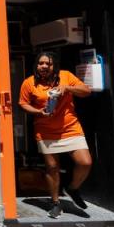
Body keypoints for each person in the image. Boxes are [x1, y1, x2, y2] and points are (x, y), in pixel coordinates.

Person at [18, 52, 93, 218]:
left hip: (70, 127)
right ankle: (55, 203)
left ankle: (72, 188)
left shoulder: (66, 76)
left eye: (48, 64)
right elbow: (23, 103)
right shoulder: (29, 82)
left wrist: (68, 88)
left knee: (85, 162)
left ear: (54, 66)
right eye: (41, 63)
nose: (44, 66)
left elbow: (86, 91)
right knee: (52, 167)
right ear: (36, 65)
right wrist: (38, 111)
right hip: (45, 129)